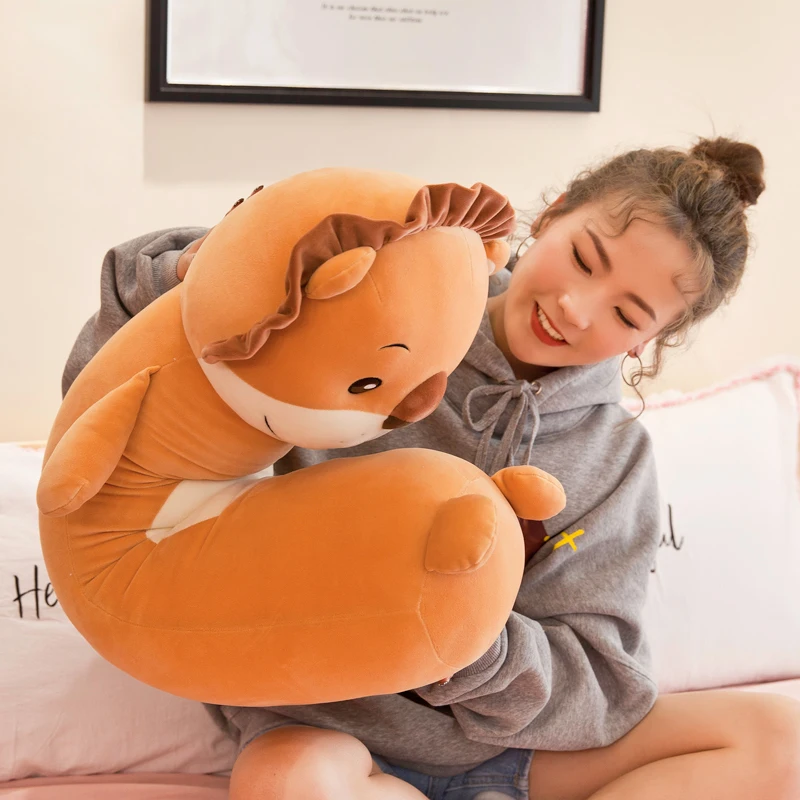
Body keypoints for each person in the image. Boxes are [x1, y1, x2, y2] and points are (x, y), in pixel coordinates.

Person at [62, 138, 800, 800]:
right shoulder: (378, 311)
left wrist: (464, 642)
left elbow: (602, 683)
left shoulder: (615, 458)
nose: (577, 309)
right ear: (549, 218)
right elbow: (125, 384)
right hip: (323, 732)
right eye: (582, 259)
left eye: (628, 314)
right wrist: (203, 268)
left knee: (783, 741)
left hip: (518, 754)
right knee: (288, 785)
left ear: (650, 340)